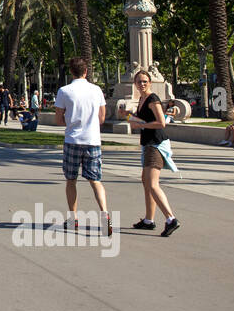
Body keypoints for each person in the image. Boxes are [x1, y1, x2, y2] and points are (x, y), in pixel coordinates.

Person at [53, 57, 113, 236]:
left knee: (71, 180)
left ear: (71, 72)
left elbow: (58, 119)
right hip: (93, 140)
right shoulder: (96, 90)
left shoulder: (64, 91)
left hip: (73, 140)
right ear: (86, 71)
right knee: (95, 180)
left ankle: (73, 218)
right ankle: (104, 214)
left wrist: (72, 123)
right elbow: (102, 118)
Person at [126, 70, 181, 237]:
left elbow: (161, 123)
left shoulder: (153, 99)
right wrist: (130, 118)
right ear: (135, 83)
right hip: (148, 144)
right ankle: (149, 220)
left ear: (150, 82)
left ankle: (171, 219)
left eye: (144, 81)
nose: (142, 84)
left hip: (155, 145)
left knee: (152, 184)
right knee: (146, 181)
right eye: (139, 81)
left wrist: (141, 125)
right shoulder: (142, 99)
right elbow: (143, 120)